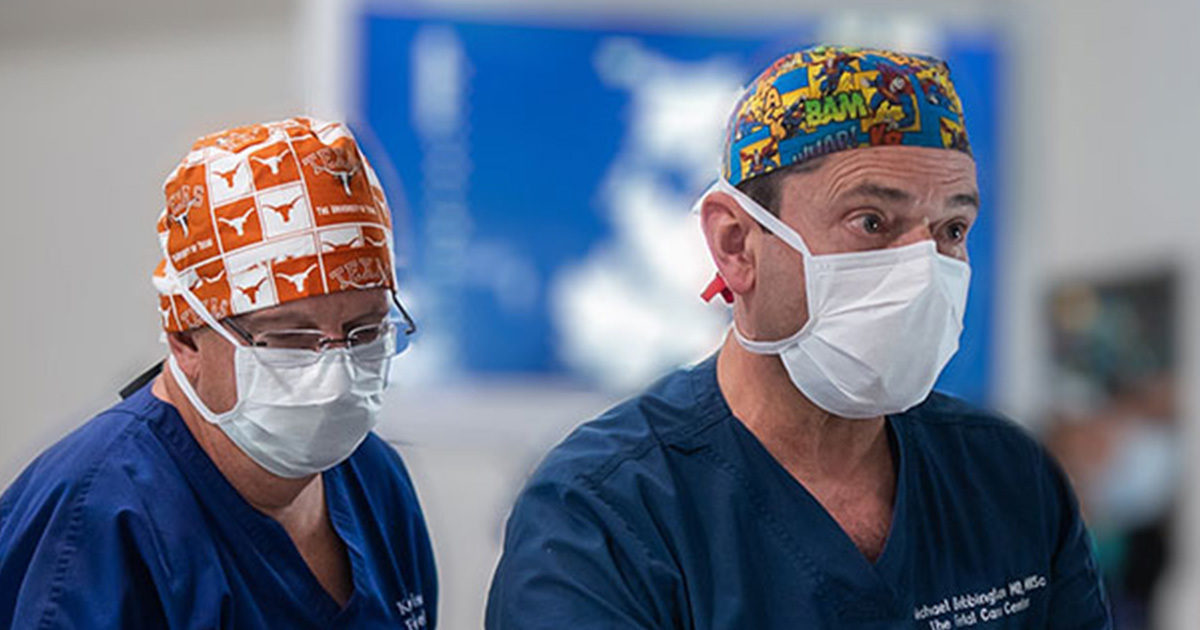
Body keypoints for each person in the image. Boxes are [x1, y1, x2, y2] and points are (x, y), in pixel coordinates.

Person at [486, 47, 1111, 628]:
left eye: (951, 229)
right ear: (736, 244)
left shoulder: (1008, 482)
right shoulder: (604, 516)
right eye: (871, 221)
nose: (923, 271)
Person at [0, 118, 436, 628]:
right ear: (186, 340)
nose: (334, 372)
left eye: (364, 331)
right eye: (290, 339)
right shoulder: (99, 517)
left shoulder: (373, 481)